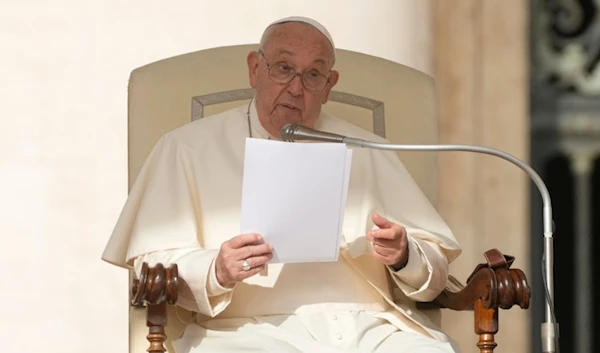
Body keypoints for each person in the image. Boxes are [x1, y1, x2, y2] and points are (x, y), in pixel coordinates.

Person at [102, 16, 463, 353]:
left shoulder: (368, 148)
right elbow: (152, 267)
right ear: (255, 69)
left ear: (329, 86)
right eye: (284, 68)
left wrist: (404, 255)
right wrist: (217, 268)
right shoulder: (185, 147)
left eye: (313, 75)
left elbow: (435, 271)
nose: (295, 87)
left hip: (370, 330)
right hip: (245, 332)